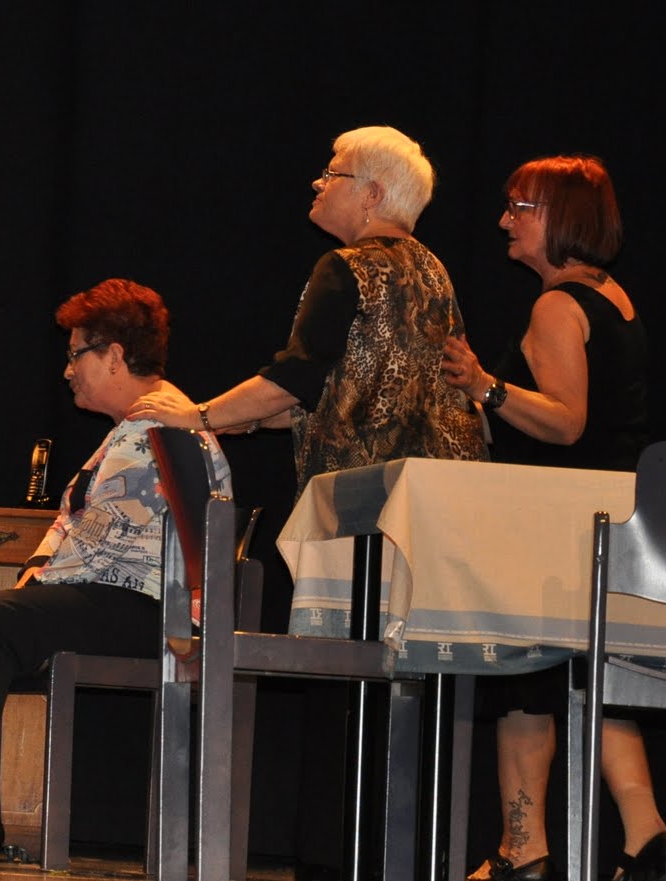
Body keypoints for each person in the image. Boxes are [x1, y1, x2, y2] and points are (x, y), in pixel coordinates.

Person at [131, 124, 487, 881]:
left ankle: (332, 857)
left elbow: (296, 377)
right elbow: (346, 391)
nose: (318, 184)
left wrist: (197, 416)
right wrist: (250, 416)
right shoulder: (435, 273)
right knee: (405, 690)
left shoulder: (345, 267)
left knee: (343, 686)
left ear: (374, 194)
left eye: (333, 173)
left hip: (360, 511)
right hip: (436, 517)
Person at [0, 278, 230, 866]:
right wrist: (35, 574)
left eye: (75, 355)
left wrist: (37, 585)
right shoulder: (133, 427)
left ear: (114, 355)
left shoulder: (161, 427)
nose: (67, 371)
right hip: (113, 597)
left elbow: (103, 539)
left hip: (148, 608)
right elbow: (73, 523)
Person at [440, 156, 666, 881]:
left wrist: (485, 387)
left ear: (561, 217)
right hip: (610, 519)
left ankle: (524, 851)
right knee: (593, 676)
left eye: (520, 207)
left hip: (557, 522)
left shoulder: (556, 305)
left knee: (525, 681)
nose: (504, 220)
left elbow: (567, 422)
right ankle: (646, 838)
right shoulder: (613, 296)